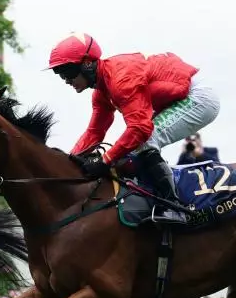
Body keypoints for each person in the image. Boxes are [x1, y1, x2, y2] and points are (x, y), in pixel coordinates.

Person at [45, 32, 220, 225]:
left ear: (87, 63)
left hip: (198, 98)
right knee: (134, 148)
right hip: (179, 98)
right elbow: (95, 132)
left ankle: (174, 208)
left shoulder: (120, 79)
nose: (65, 80)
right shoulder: (102, 91)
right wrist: (70, 162)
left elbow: (140, 129)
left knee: (144, 140)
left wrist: (106, 159)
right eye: (60, 74)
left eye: (68, 71)